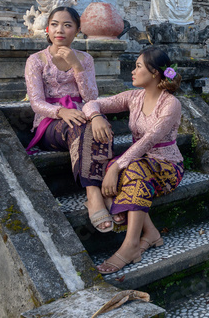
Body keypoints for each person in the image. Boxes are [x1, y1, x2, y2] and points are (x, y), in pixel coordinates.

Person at [82, 46, 184, 274]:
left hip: (167, 167)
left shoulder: (171, 104)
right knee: (122, 168)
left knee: (128, 170)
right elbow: (91, 103)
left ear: (155, 72)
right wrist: (97, 116)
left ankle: (130, 246)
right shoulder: (133, 97)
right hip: (138, 161)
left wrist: (117, 166)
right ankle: (151, 233)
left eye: (138, 66)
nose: (133, 71)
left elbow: (149, 140)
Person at [25, 6, 114, 232]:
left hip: (83, 114)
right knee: (78, 127)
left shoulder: (85, 59)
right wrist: (61, 112)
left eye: (67, 25)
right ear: (47, 28)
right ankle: (94, 194)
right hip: (50, 123)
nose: (60, 30)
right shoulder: (36, 60)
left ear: (77, 30)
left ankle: (101, 189)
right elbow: (35, 102)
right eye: (54, 24)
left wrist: (76, 65)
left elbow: (91, 97)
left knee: (100, 127)